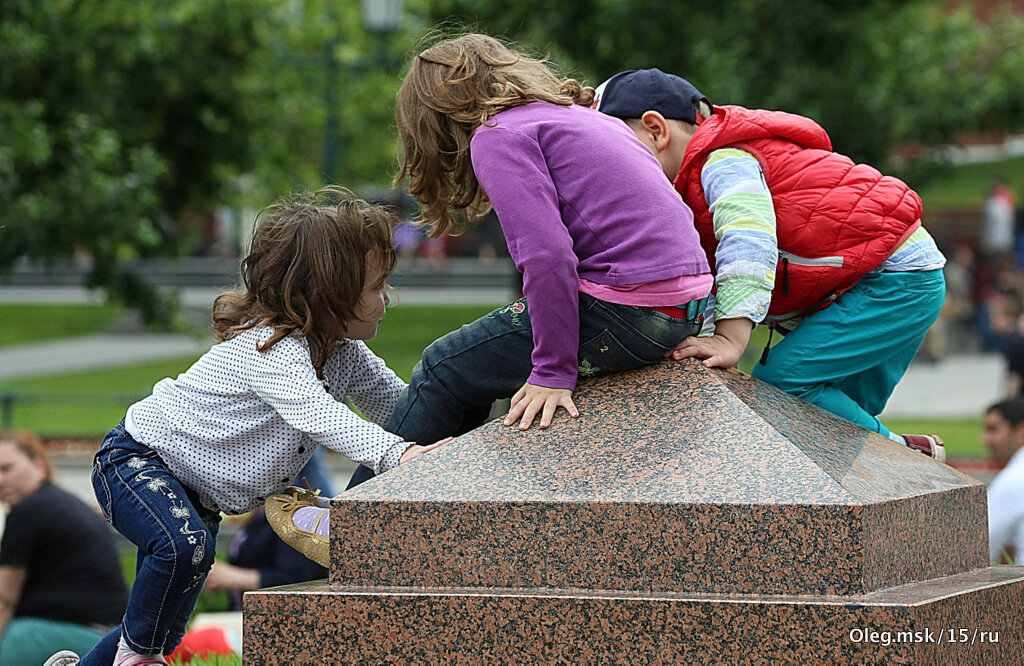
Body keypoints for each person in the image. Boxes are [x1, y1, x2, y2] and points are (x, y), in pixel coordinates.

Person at [45, 187, 447, 666]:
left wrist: (457, 445)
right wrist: (394, 454)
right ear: (329, 292)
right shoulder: (271, 349)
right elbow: (318, 414)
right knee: (182, 550)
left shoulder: (344, 354)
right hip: (138, 461)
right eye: (376, 287)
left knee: (162, 627)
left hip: (195, 497)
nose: (387, 299)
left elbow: (399, 406)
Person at [341, 34, 712, 490]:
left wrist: (554, 371)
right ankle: (440, 499)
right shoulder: (585, 118)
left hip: (627, 308)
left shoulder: (499, 134)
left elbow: (549, 257)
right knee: (473, 372)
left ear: (433, 117)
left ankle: (350, 523)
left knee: (443, 366)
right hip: (687, 307)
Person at [593, 68, 948, 460]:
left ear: (656, 131)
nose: (614, 175)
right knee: (824, 426)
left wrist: (729, 338)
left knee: (783, 386)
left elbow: (749, 237)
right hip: (882, 280)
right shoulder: (691, 185)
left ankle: (909, 461)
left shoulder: (721, 161)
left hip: (891, 279)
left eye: (617, 153)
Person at [0, 431, 127, 666]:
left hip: (68, 635)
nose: (0, 480)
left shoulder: (27, 511)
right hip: (111, 636)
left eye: (6, 469)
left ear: (39, 465)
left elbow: (4, 598)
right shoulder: (65, 504)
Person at [983, 398, 1024, 564]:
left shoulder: (1015, 478)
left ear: (1021, 430)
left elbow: (980, 544)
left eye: (993, 429)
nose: (985, 439)